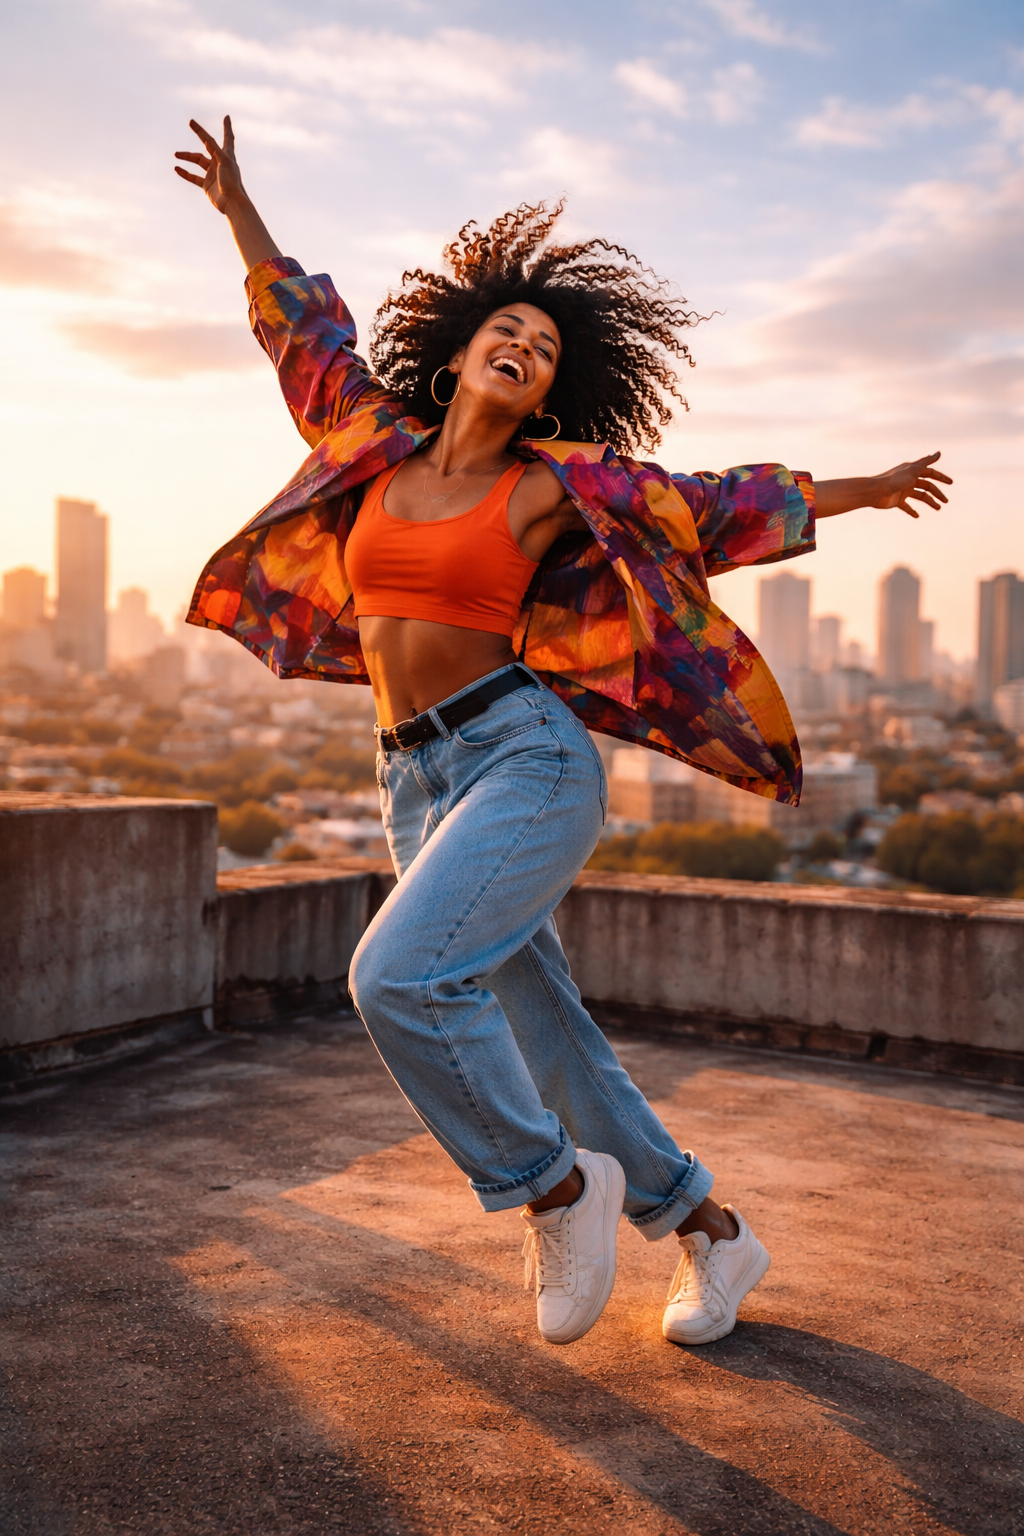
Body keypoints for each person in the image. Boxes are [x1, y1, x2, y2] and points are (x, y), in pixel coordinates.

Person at [176, 117, 950, 1348]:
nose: (523, 350)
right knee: (540, 1027)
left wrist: (860, 487)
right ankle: (713, 1234)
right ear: (459, 354)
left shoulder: (556, 484)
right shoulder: (368, 442)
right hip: (411, 780)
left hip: (522, 758)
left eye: (542, 351)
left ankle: (550, 1184)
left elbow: (716, 505)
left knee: (393, 978)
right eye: (507, 333)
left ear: (551, 388)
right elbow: (303, 331)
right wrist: (238, 209)